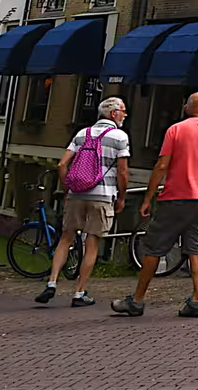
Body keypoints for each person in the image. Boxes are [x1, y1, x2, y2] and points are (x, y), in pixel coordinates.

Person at [112, 92, 198, 319]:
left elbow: (162, 165)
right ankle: (197, 299)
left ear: (187, 108)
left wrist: (148, 198)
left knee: (153, 247)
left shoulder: (175, 130)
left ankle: (137, 300)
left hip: (174, 198)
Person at [34, 96, 131, 308]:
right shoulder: (120, 136)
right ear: (113, 114)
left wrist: (68, 189)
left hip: (76, 195)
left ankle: (52, 282)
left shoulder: (82, 134)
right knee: (92, 243)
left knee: (66, 238)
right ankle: (79, 293)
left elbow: (62, 165)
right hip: (103, 196)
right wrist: (122, 197)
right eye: (123, 111)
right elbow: (123, 171)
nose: (125, 115)